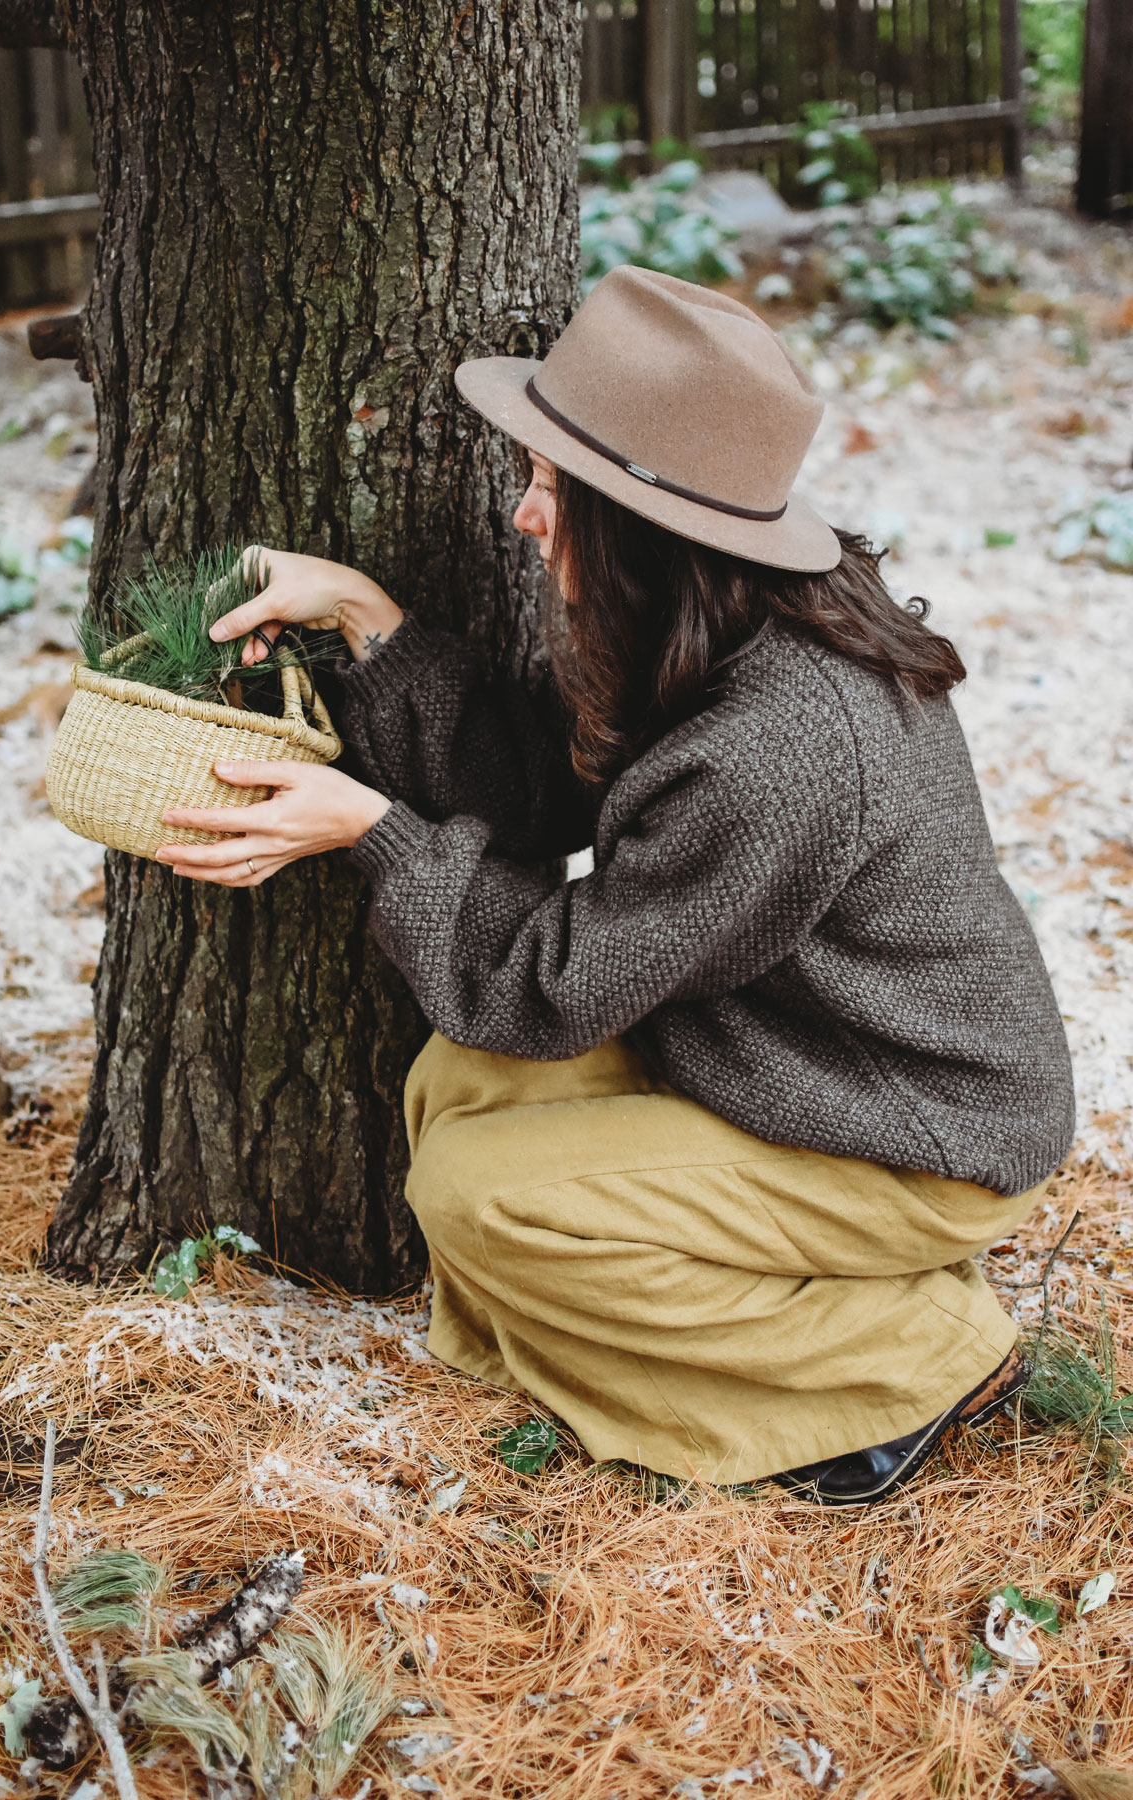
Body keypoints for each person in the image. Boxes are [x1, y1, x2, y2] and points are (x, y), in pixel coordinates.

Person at [158, 266, 1075, 1505]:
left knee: (481, 1199)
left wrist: (373, 832)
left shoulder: (783, 747)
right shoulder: (715, 615)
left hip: (910, 1131)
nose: (524, 515)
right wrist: (373, 622)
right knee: (459, 1085)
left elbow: (547, 986)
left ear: (645, 521)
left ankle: (921, 1360)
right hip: (792, 1054)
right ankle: (705, 1320)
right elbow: (543, 787)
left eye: (552, 487)